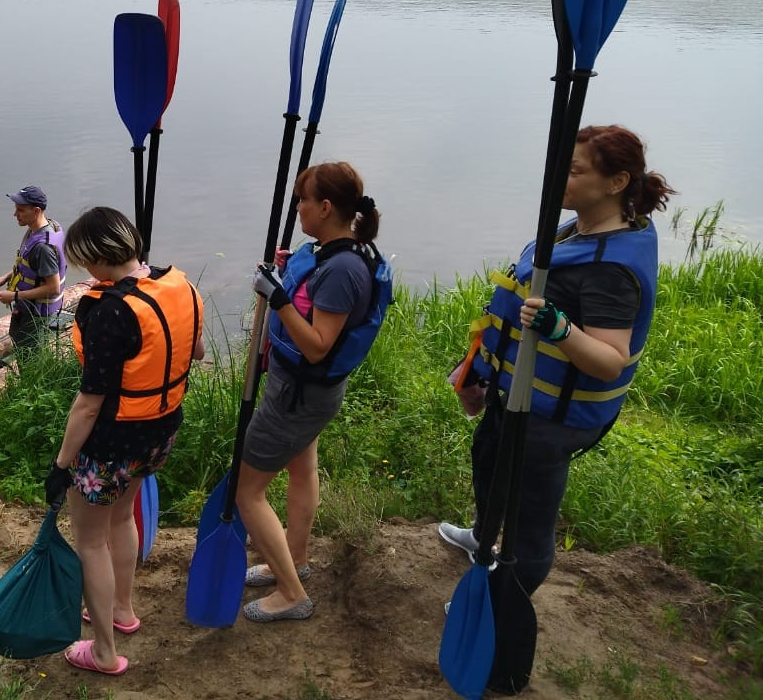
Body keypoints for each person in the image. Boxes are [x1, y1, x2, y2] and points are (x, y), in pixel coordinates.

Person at [439, 125, 675, 597]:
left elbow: (610, 360)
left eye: (573, 170)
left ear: (617, 183)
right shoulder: (577, 227)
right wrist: (478, 373)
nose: (558, 178)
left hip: (553, 418)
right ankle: (482, 540)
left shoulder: (611, 270)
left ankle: (505, 605)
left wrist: (557, 327)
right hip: (516, 392)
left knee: (530, 521)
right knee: (487, 461)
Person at [44, 206, 204, 676]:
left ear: (96, 258)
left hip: (109, 444)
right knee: (121, 519)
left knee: (90, 541)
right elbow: (194, 350)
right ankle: (122, 609)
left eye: (83, 261)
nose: (84, 272)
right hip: (159, 430)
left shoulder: (111, 311)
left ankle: (104, 652)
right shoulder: (178, 284)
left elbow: (89, 403)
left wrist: (61, 465)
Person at [238, 161, 390, 622]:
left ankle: (291, 593)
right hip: (305, 392)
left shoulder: (344, 269)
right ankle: (295, 557)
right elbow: (313, 304)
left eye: (304, 200)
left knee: (248, 493)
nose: (299, 207)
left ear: (325, 207)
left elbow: (319, 346)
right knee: (302, 469)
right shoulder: (333, 251)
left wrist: (279, 298)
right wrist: (287, 277)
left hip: (298, 394)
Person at [0, 185, 68, 349]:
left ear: (36, 211)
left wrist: (14, 297)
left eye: (21, 210)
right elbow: (32, 266)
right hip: (28, 309)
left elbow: (53, 287)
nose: (15, 214)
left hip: (35, 316)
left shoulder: (43, 247)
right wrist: (6, 277)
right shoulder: (47, 227)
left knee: (29, 360)